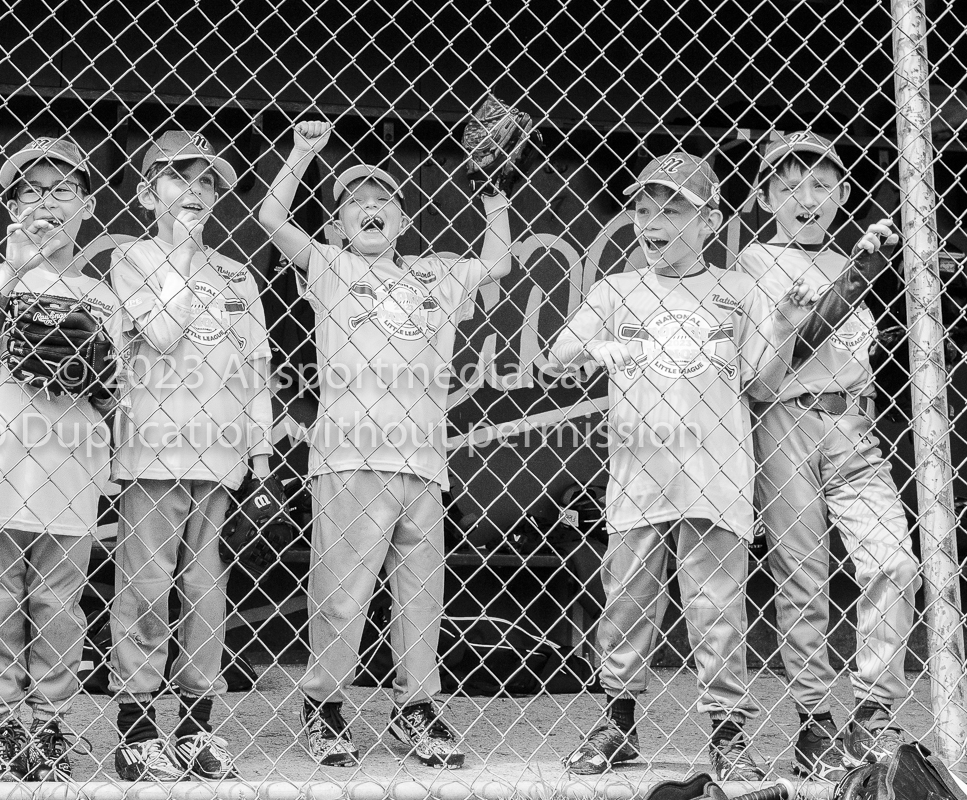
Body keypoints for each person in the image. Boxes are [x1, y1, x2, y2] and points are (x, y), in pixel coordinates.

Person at [258, 119, 514, 769]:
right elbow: (269, 218)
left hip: (423, 460)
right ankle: (324, 703)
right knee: (343, 593)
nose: (369, 208)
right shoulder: (332, 265)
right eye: (353, 204)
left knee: (420, 596)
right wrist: (302, 154)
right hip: (350, 455)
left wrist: (493, 191)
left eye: (383, 202)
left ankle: (415, 706)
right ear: (338, 226)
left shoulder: (433, 275)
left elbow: (499, 260)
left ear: (402, 219)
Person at [550, 153, 814, 780]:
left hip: (717, 474)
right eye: (643, 209)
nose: (652, 220)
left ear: (709, 222)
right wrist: (627, 345)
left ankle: (726, 733)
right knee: (627, 602)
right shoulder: (617, 289)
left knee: (718, 609)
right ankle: (616, 722)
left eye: (673, 209)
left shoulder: (738, 289)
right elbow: (559, 355)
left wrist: (783, 325)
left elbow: (756, 379)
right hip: (640, 473)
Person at [738, 132, 912, 779]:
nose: (802, 197)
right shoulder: (757, 260)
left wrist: (866, 268)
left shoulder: (849, 258)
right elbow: (791, 348)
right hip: (786, 423)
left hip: (853, 430)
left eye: (817, 184)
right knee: (802, 580)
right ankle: (813, 722)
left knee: (893, 562)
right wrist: (861, 271)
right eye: (785, 187)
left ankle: (869, 716)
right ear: (764, 199)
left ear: (841, 193)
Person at [107, 130, 274, 781]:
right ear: (148, 191)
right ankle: (138, 726)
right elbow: (164, 330)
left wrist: (260, 461)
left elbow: (256, 369)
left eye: (207, 182)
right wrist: (179, 250)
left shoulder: (235, 272)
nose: (196, 192)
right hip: (151, 454)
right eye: (179, 178)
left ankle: (198, 727)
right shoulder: (131, 258)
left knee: (206, 596)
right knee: (146, 592)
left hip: (221, 460)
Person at [0, 136, 120, 782]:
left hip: (68, 473)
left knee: (57, 609)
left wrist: (92, 374)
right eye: (31, 191)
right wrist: (17, 276)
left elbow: (114, 395)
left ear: (87, 206)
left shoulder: (99, 295)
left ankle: (49, 726)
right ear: (10, 206)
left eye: (62, 191)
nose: (46, 202)